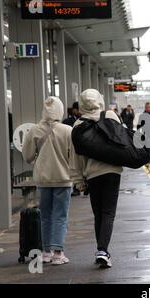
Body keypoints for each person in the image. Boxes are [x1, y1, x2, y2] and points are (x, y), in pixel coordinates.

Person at [70, 89, 123, 269]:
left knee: (98, 214)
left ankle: (101, 250)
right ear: (100, 100)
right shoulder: (110, 116)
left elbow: (75, 158)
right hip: (112, 172)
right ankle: (102, 250)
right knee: (108, 213)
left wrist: (78, 182)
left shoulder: (78, 125)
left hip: (92, 174)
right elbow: (121, 140)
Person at [22, 97, 72, 266]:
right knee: (60, 216)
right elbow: (73, 156)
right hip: (63, 179)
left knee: (45, 216)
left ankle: (45, 252)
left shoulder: (35, 130)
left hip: (43, 180)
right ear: (60, 110)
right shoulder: (67, 131)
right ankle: (58, 253)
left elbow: (27, 156)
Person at [137, 102, 150, 166]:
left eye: (149, 107)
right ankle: (148, 160)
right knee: (147, 148)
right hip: (145, 133)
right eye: (147, 107)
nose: (148, 108)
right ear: (145, 108)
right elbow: (139, 124)